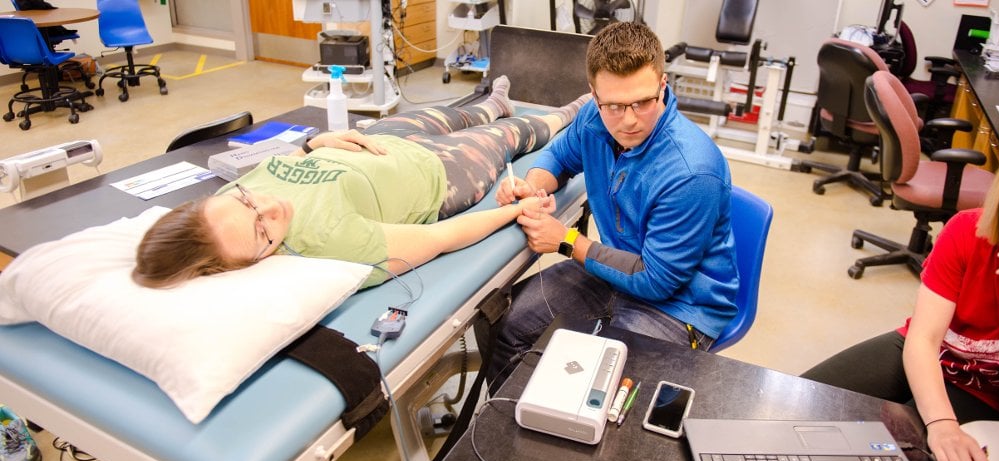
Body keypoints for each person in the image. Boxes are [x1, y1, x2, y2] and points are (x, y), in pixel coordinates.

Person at [133, 76, 591, 289]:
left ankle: (494, 101)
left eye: (250, 202)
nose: (268, 211)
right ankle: (575, 109)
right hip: (439, 172)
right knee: (514, 134)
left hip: (372, 140)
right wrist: (515, 209)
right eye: (261, 232)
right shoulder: (328, 244)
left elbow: (280, 168)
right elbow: (439, 237)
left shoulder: (223, 202)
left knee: (460, 112)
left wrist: (315, 146)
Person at [488, 22, 738, 386]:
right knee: (506, 324)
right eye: (615, 106)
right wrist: (532, 186)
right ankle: (509, 428)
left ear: (663, 85)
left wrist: (567, 241)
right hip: (614, 270)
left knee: (600, 386)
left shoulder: (692, 172)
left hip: (678, 305)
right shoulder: (594, 118)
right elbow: (559, 155)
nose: (630, 120)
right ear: (593, 94)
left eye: (643, 102)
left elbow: (656, 281)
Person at [802, 147, 999, 461]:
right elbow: (923, 338)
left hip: (989, 393)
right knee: (803, 399)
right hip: (929, 352)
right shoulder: (969, 230)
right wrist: (942, 422)